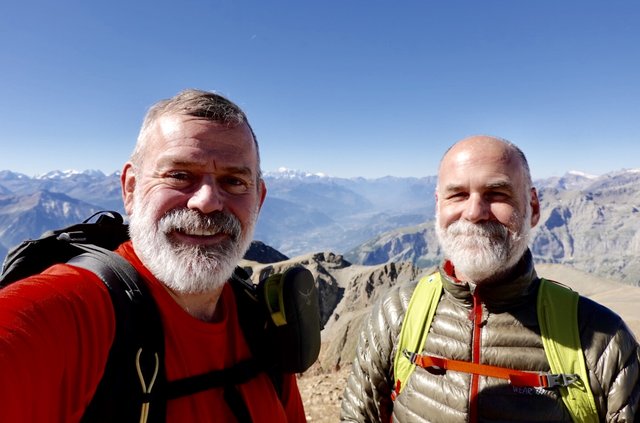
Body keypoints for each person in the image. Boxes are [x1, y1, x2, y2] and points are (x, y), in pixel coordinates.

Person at [0, 89, 306, 422]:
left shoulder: (261, 328)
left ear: (258, 201)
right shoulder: (70, 314)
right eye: (179, 175)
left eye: (233, 181)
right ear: (130, 188)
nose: (207, 202)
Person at [340, 135, 640, 422]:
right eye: (457, 194)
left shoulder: (602, 339)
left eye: (496, 193)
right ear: (438, 206)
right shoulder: (397, 313)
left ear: (533, 208)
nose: (474, 212)